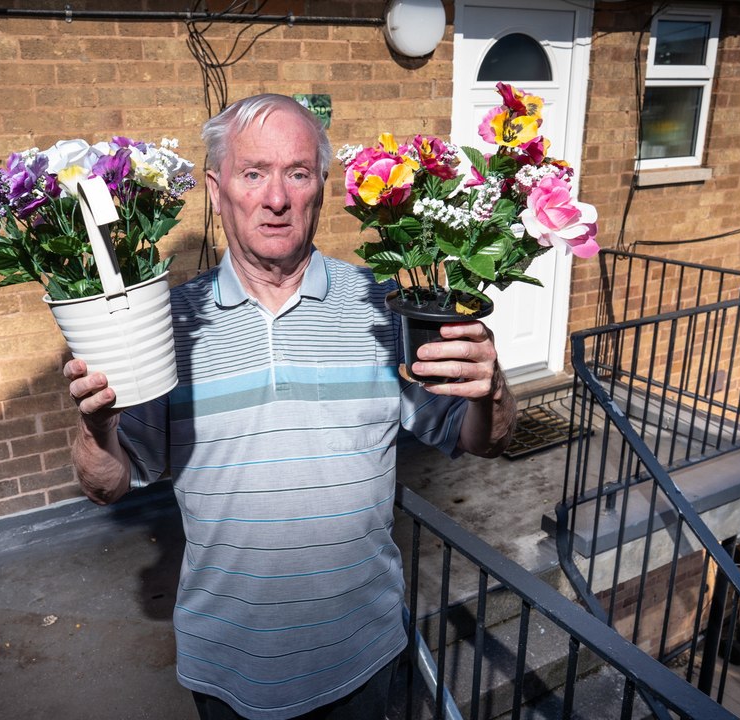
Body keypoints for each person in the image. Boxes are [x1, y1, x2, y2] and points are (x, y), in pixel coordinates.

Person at [64, 94, 517, 720]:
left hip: (363, 657)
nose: (276, 198)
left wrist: (492, 391)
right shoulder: (166, 327)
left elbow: (481, 440)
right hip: (227, 665)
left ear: (321, 189)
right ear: (217, 189)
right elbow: (106, 485)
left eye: (297, 173)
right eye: (254, 174)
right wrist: (96, 428)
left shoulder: (385, 308)